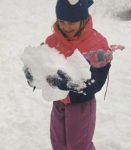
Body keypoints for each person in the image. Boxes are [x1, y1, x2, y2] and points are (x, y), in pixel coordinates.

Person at [24, 0, 112, 150]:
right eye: (62, 21)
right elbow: (45, 69)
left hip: (82, 104)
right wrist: (35, 75)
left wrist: (75, 85)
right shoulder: (52, 41)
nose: (66, 26)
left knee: (78, 146)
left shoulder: (96, 43)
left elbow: (97, 81)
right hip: (59, 103)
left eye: (72, 22)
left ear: (83, 19)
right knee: (58, 144)